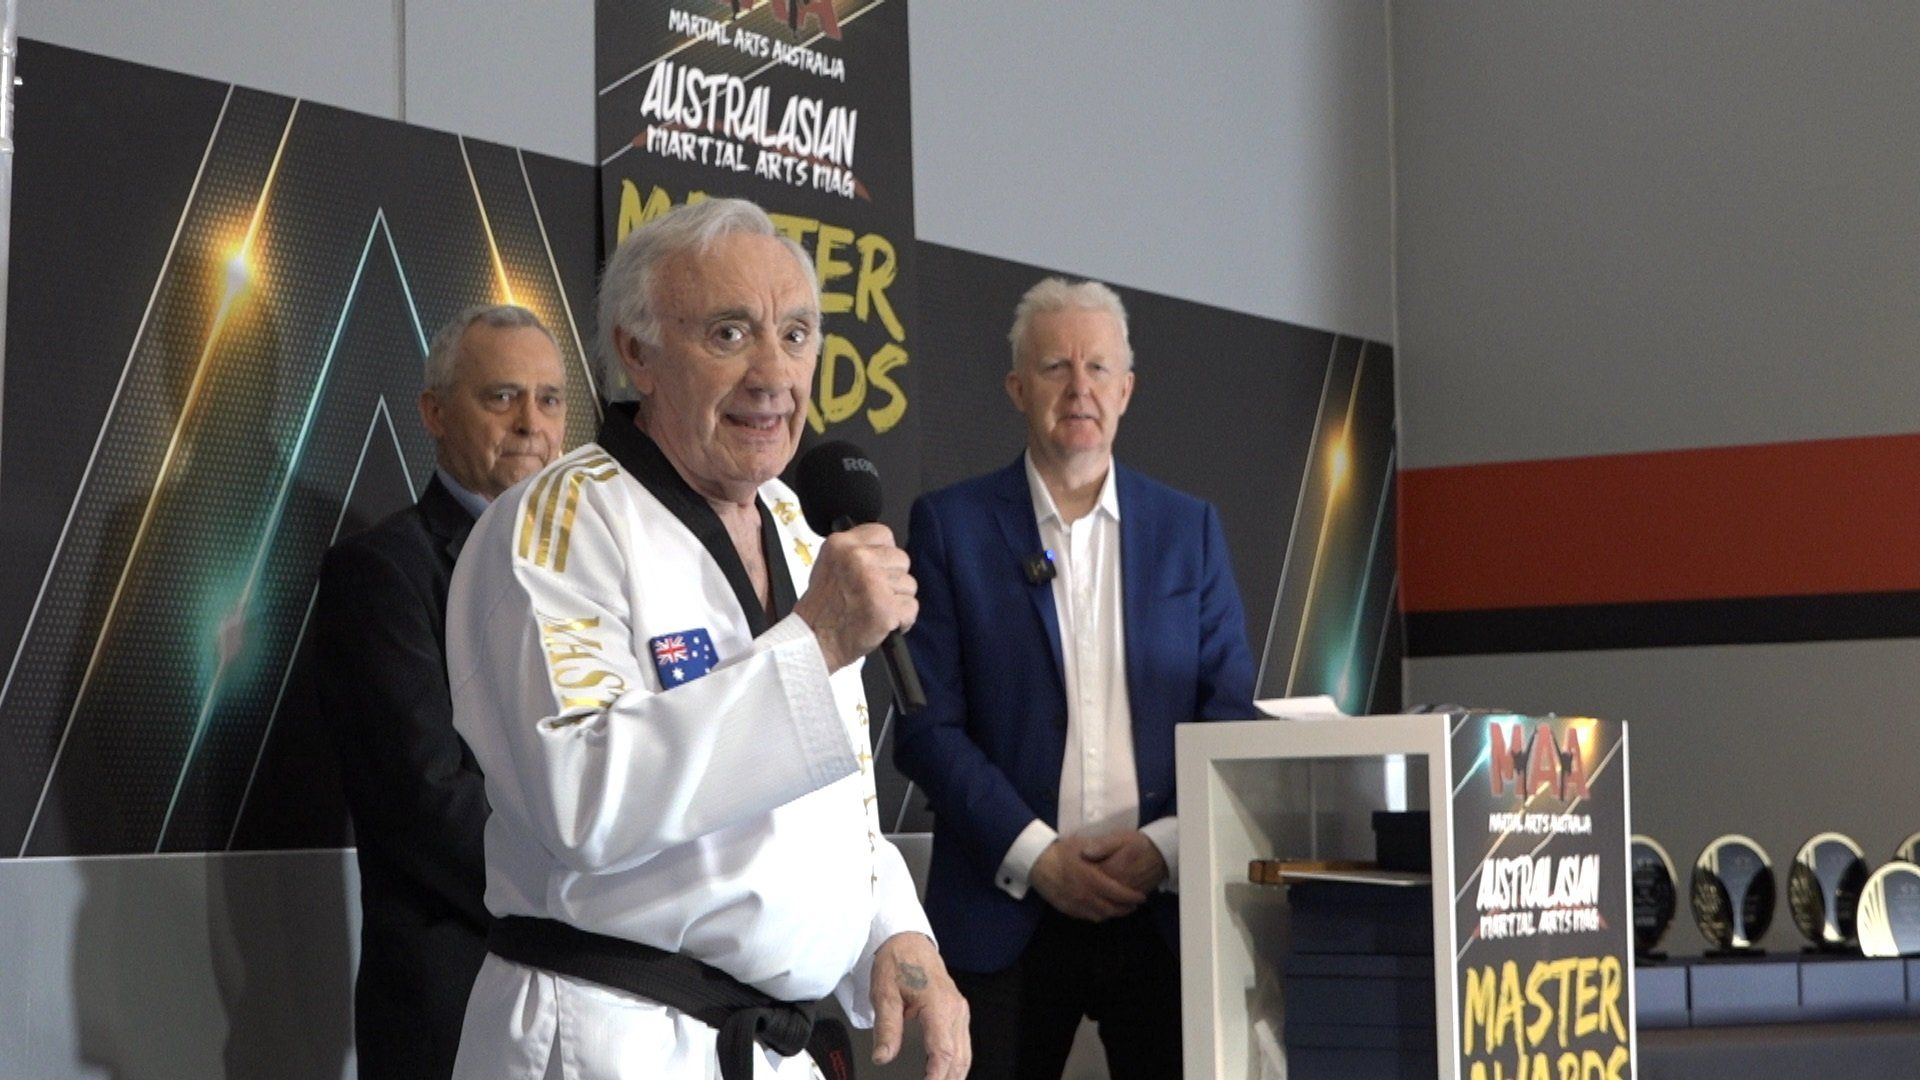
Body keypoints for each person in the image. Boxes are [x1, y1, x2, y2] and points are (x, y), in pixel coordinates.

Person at [445, 198, 969, 1080]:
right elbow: (580, 796)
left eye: (797, 335)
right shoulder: (558, 525)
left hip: (769, 1046)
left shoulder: (802, 530)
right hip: (611, 1037)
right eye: (731, 334)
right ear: (636, 353)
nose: (774, 374)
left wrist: (896, 934)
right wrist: (813, 645)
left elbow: (832, 805)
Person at [896, 277, 1258, 1078]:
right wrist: (1040, 856)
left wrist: (1162, 849)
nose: (1079, 387)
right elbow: (928, 731)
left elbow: (1232, 715)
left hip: (1161, 908)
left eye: (1099, 368)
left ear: (1127, 391)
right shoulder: (951, 528)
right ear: (1017, 388)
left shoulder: (1188, 531)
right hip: (1006, 905)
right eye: (1056, 366)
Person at [314, 303, 569, 1078]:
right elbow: (427, 803)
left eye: (551, 399)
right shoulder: (381, 572)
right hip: (455, 998)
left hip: (596, 1001)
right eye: (502, 397)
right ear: (433, 411)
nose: (532, 423)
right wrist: (590, 895)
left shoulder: (593, 569)